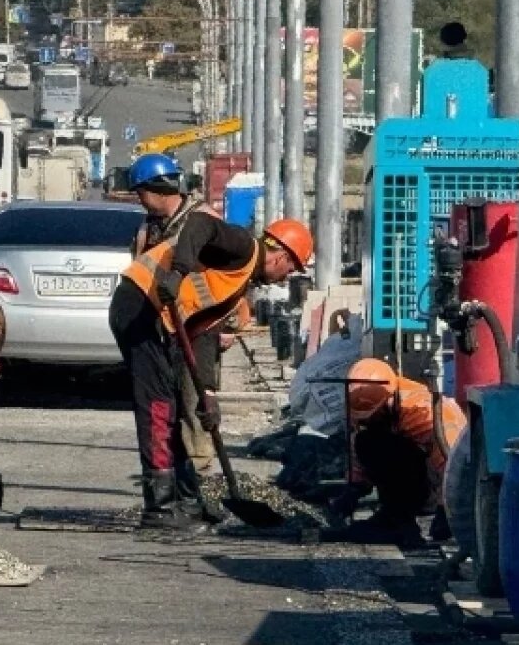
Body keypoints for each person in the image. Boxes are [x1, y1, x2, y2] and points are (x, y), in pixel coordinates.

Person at [110, 213, 313, 531]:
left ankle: (187, 499)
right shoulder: (243, 247)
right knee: (158, 408)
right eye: (291, 269)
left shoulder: (237, 284)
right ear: (281, 255)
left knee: (174, 408)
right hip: (139, 305)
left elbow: (202, 334)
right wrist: (177, 273)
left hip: (156, 318)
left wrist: (207, 393)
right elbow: (199, 224)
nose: (286, 278)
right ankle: (159, 509)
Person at [127, 153, 222, 476]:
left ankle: (199, 478)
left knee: (195, 405)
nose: (140, 201)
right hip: (162, 329)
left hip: (197, 326)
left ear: (158, 188)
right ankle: (176, 475)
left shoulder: (203, 219)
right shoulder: (148, 230)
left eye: (141, 193)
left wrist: (229, 324)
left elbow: (226, 274)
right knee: (165, 406)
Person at [329, 358, 468, 547]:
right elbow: (357, 441)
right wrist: (355, 486)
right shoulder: (372, 408)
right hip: (422, 480)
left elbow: (450, 463)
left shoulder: (422, 411)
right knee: (367, 440)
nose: (368, 421)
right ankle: (393, 516)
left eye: (373, 415)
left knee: (375, 443)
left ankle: (398, 521)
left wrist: (448, 510)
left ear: (389, 400)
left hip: (441, 488)